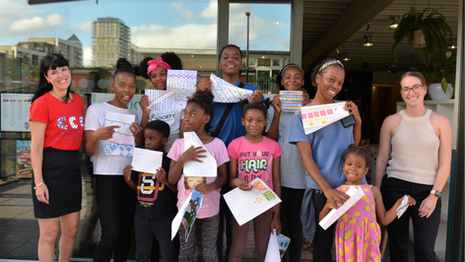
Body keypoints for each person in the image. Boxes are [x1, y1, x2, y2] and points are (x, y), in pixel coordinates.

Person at [374, 71, 452, 262]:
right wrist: (376, 192)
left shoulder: (440, 121)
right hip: (397, 192)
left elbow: (445, 163)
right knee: (398, 246)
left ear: (424, 89)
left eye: (416, 87)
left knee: (425, 251)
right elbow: (382, 160)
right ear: (401, 93)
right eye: (406, 89)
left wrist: (434, 196)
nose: (412, 92)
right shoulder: (391, 121)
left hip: (427, 192)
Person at [289, 59, 362, 262]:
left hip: (349, 187)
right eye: (331, 79)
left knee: (349, 243)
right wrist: (328, 191)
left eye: (340, 82)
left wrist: (359, 122)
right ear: (318, 79)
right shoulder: (302, 116)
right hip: (322, 192)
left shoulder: (343, 109)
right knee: (323, 244)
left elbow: (353, 150)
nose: (336, 86)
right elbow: (306, 157)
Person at [198, 44, 263, 260]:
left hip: (241, 163)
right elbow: (197, 117)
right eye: (226, 57)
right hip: (213, 161)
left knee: (235, 221)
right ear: (219, 63)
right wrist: (201, 94)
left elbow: (262, 120)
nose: (231, 60)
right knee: (212, 220)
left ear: (241, 63)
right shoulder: (209, 88)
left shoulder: (252, 89)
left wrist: (258, 102)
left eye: (236, 57)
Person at [84, 58, 144, 262]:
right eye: (122, 85)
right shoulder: (96, 110)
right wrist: (96, 137)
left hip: (128, 178)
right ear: (113, 86)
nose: (127, 90)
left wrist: (139, 138)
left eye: (132, 86)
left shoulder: (134, 115)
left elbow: (139, 150)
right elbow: (90, 151)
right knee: (111, 235)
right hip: (106, 177)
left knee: (126, 233)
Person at [30, 53, 84, 262]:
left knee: (71, 231)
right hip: (49, 171)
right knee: (50, 233)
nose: (61, 75)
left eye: (64, 69)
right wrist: (39, 182)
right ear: (47, 77)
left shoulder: (78, 101)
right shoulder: (41, 103)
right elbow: (35, 147)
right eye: (54, 72)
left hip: (72, 169)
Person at [319, 145, 416, 262]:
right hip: (347, 240)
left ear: (366, 170)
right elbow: (323, 222)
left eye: (358, 166)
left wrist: (401, 203)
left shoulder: (373, 191)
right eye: (349, 164)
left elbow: (384, 219)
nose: (353, 168)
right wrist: (326, 207)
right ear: (343, 165)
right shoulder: (337, 193)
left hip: (369, 240)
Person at [167, 90, 229, 262]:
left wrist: (210, 186)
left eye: (192, 114)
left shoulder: (218, 145)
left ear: (206, 119)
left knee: (210, 252)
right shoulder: (179, 145)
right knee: (186, 252)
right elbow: (171, 179)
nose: (187, 118)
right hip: (186, 207)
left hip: (211, 207)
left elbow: (224, 177)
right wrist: (182, 160)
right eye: (185, 114)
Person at [227, 99, 282, 262]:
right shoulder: (235, 145)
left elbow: (277, 181)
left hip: (265, 202)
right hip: (242, 202)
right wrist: (236, 181)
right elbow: (230, 179)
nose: (254, 124)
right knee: (238, 247)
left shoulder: (273, 146)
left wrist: (276, 215)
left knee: (263, 248)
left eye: (259, 120)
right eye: (249, 120)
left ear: (266, 122)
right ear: (243, 121)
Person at [268, 63, 308, 261]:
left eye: (297, 77)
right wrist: (276, 112)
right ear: (281, 82)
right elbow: (271, 139)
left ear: (303, 82)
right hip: (279, 172)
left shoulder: (309, 105)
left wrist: (308, 110)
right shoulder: (273, 106)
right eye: (287, 77)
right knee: (279, 221)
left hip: (301, 173)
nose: (292, 80)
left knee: (295, 223)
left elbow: (313, 136)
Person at [123, 120, 178, 262]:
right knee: (142, 255)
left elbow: (177, 190)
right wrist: (128, 179)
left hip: (163, 215)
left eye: (152, 139)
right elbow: (137, 187)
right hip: (141, 215)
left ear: (164, 140)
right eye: (146, 138)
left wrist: (166, 181)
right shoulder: (139, 159)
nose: (147, 142)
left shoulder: (169, 161)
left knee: (168, 253)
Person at [138, 52, 183, 151]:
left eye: (163, 74)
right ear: (150, 79)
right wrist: (145, 112)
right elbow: (142, 132)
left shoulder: (181, 97)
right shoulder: (146, 100)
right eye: (153, 76)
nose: (158, 78)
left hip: (175, 151)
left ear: (170, 74)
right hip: (153, 152)